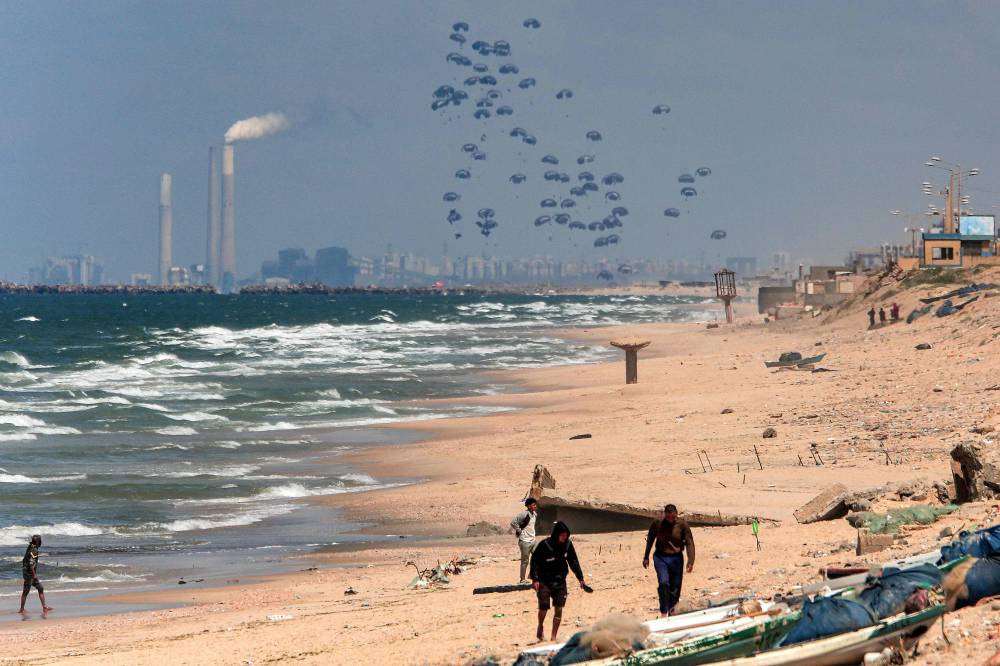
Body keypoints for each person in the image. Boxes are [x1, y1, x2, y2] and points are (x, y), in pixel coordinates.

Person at [530, 521, 586, 642]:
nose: (564, 538)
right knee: (544, 607)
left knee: (559, 608)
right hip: (544, 581)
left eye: (566, 536)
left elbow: (573, 561)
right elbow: (534, 561)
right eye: (562, 536)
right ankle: (540, 626)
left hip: (560, 581)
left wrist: (580, 578)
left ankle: (553, 636)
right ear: (556, 534)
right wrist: (535, 579)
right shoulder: (545, 545)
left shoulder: (568, 545)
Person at [643, 504, 695, 617]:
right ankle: (664, 610)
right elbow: (650, 538)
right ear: (665, 515)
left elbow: (689, 542)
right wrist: (646, 556)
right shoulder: (658, 523)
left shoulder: (682, 524)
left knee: (675, 588)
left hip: (676, 558)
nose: (671, 519)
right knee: (663, 583)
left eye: (673, 517)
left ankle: (672, 612)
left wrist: (690, 561)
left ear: (677, 514)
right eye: (668, 517)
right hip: (660, 557)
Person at [19, 535, 51, 614]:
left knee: (40, 588)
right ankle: (21, 609)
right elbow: (31, 563)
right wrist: (34, 575)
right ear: (37, 542)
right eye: (40, 541)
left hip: (26, 572)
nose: (41, 542)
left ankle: (44, 607)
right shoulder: (34, 550)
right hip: (29, 574)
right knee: (26, 591)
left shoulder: (30, 546)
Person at [510, 497, 539, 583]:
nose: (535, 506)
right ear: (529, 506)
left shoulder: (535, 514)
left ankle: (531, 574)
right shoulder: (523, 514)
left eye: (535, 505)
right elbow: (513, 523)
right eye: (533, 505)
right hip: (524, 541)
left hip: (533, 540)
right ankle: (522, 579)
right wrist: (519, 531)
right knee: (525, 561)